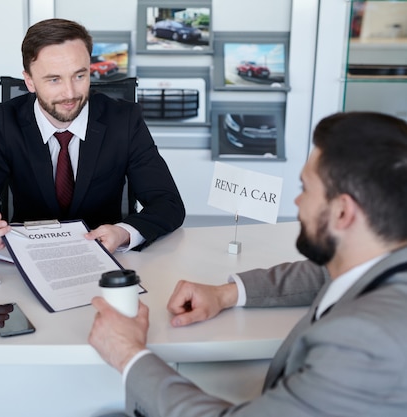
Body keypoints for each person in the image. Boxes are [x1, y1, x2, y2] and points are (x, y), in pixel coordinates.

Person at [89, 111, 407, 416]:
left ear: (342, 212)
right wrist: (227, 294)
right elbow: (322, 274)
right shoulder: (382, 256)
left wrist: (128, 354)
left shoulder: (365, 342)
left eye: (306, 189)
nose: (297, 202)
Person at [0, 18, 185, 254]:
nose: (70, 93)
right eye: (54, 79)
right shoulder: (5, 121)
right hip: (28, 256)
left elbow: (168, 203)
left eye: (80, 76)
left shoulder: (124, 120)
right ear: (29, 81)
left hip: (107, 257)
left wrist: (124, 233)